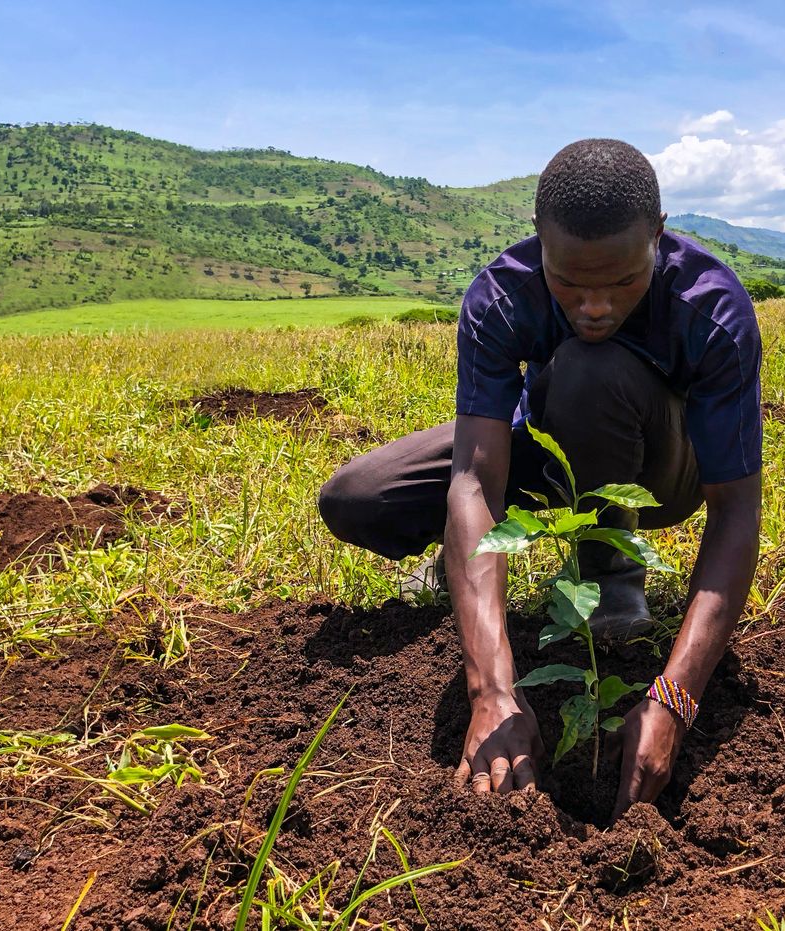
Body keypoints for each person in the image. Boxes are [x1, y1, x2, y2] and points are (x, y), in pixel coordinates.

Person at [318, 138, 761, 823]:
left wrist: (675, 698)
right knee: (357, 497)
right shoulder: (502, 296)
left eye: (622, 282)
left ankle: (611, 574)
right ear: (539, 241)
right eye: (569, 283)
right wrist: (491, 688)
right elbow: (475, 479)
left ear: (658, 235)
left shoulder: (711, 306)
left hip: (663, 474)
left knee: (591, 367)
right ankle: (463, 569)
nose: (594, 306)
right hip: (546, 446)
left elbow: (735, 511)